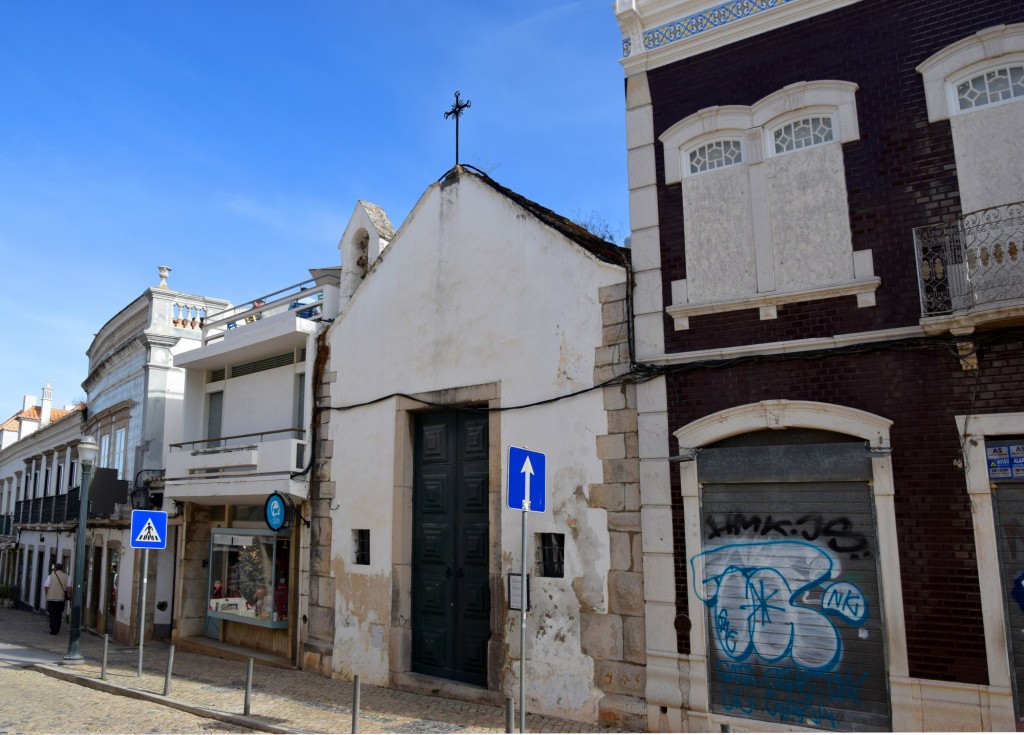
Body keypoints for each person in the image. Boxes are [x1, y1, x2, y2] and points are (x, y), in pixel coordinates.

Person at [43, 563, 70, 635]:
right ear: (62, 569)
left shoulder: (50, 576)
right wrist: (70, 596)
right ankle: (57, 628)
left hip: (51, 599)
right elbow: (69, 588)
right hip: (61, 599)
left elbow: (46, 586)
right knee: (59, 614)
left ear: (55, 569)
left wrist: (47, 594)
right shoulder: (66, 577)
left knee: (52, 615)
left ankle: (53, 629)